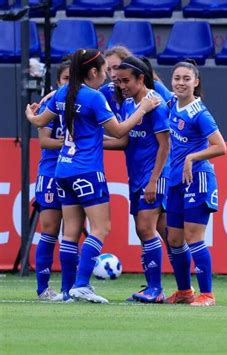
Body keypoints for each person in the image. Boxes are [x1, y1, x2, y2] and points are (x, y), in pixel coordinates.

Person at [26, 48, 160, 304]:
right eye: (105, 71)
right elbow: (120, 131)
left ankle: (67, 291)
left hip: (62, 170)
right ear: (94, 72)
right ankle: (82, 284)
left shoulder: (63, 93)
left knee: (71, 232)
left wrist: (29, 113)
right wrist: (142, 109)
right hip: (87, 170)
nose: (109, 78)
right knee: (101, 228)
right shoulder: (94, 98)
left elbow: (38, 120)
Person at [104, 56, 170, 303]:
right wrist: (91, 142)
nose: (121, 86)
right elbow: (124, 140)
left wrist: (154, 181)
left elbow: (165, 146)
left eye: (126, 81)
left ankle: (155, 289)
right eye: (119, 81)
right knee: (169, 235)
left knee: (145, 228)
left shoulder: (156, 105)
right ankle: (182, 289)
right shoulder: (130, 104)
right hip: (137, 176)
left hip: (153, 176)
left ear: (141, 78)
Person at [165, 60, 227, 307]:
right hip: (176, 180)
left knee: (193, 237)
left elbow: (221, 147)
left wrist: (192, 156)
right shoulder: (172, 104)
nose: (181, 82)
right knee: (174, 239)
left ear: (196, 82)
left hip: (198, 178)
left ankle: (207, 295)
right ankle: (184, 291)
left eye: (186, 79)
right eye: (177, 78)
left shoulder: (199, 113)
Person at [34, 58, 70, 300]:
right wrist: (71, 143)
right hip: (50, 174)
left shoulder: (86, 104)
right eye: (66, 79)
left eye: (73, 78)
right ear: (58, 82)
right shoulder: (50, 105)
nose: (70, 83)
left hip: (74, 172)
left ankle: (71, 288)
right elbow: (44, 141)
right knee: (49, 230)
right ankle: (43, 288)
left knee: (72, 232)